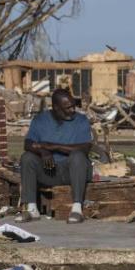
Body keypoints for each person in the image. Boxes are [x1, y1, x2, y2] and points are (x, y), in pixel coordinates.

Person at [17, 88, 93, 224]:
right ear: (56, 108)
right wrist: (43, 152)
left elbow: (85, 148)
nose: (72, 110)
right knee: (27, 157)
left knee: (78, 156)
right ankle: (32, 209)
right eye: (68, 108)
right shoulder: (40, 120)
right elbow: (28, 144)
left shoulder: (81, 120)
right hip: (49, 171)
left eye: (73, 106)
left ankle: (77, 209)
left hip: (74, 172)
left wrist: (54, 147)